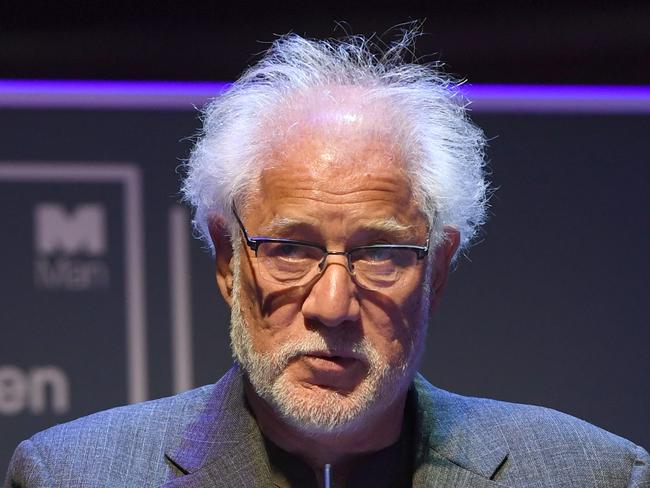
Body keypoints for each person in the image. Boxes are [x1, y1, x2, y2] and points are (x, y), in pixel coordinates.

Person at [5, 32, 649, 488]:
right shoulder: (74, 475)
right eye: (289, 249)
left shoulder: (591, 475)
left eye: (381, 254)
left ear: (439, 270)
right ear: (228, 257)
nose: (333, 306)